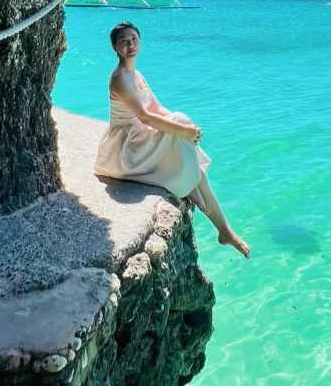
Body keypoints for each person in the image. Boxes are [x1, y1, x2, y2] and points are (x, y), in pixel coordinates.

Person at [95, 21, 250, 258]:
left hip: (141, 139)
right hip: (127, 148)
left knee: (180, 122)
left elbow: (157, 108)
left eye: (134, 39)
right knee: (184, 143)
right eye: (124, 41)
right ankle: (224, 229)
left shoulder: (137, 75)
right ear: (115, 47)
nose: (130, 45)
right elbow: (146, 117)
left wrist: (186, 127)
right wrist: (182, 131)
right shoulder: (119, 79)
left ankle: (224, 230)